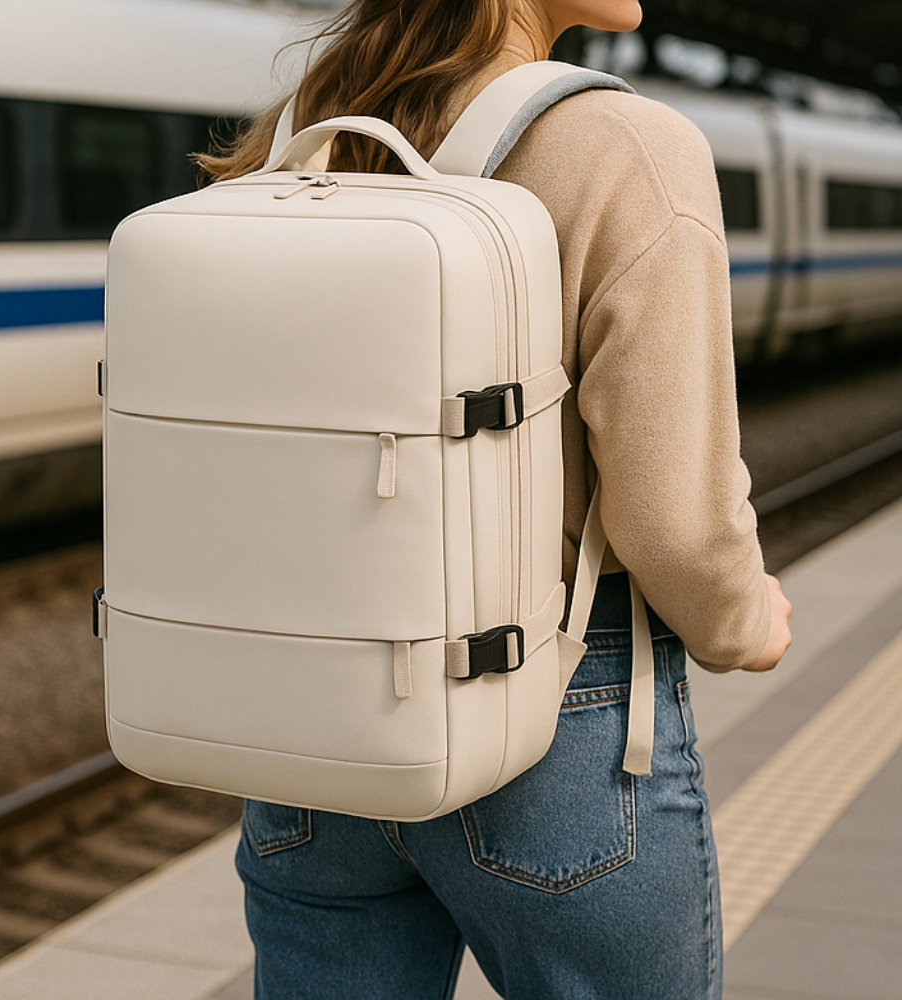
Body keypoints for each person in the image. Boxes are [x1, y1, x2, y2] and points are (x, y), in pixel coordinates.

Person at [199, 1, 793, 997]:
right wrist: (742, 622)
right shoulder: (625, 147)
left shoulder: (303, 131)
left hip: (311, 719)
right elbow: (673, 520)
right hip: (550, 707)